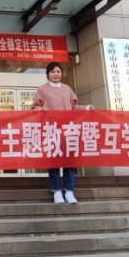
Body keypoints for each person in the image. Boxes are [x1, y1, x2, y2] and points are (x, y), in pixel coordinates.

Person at [33, 61, 92, 205]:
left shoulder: (67, 89)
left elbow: (74, 107)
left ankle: (69, 191)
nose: (56, 74)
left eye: (58, 72)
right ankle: (57, 192)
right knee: (54, 161)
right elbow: (35, 108)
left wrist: (86, 108)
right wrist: (41, 110)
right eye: (52, 72)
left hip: (68, 130)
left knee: (69, 161)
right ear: (47, 74)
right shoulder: (42, 90)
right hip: (52, 130)